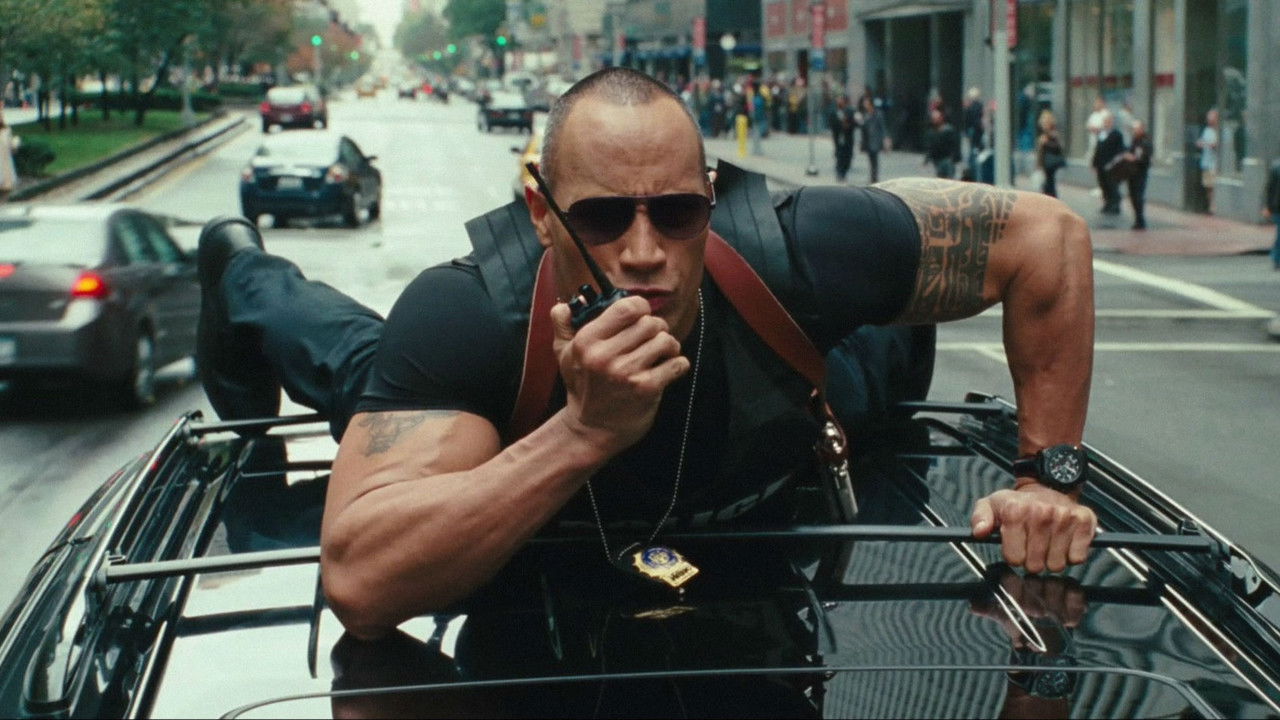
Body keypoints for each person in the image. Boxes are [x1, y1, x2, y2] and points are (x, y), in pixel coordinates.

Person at [194, 68, 1097, 643]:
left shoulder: (793, 247)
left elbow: (1046, 238)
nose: (641, 251)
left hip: (788, 396)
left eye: (675, 213)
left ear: (710, 198)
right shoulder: (472, 316)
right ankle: (241, 268)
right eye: (599, 217)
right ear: (541, 212)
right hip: (507, 416)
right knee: (355, 359)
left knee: (881, 363)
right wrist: (583, 432)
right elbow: (359, 584)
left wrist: (1048, 478)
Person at [1091, 112, 1124, 215]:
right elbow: (1097, 149)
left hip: (1111, 165)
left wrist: (1115, 162)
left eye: (1108, 121)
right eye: (1105, 121)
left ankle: (1115, 205)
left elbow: (1120, 150)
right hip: (1100, 164)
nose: (1107, 123)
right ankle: (1107, 203)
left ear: (1112, 122)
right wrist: (1094, 163)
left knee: (1112, 185)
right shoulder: (1102, 134)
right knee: (1103, 184)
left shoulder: (1117, 134)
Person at [1124, 120, 1153, 230]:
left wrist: (1133, 158)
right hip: (1131, 172)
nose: (1134, 131)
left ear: (1142, 129)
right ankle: (1137, 219)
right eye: (1134, 129)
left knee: (1138, 196)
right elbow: (1131, 151)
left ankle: (1140, 220)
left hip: (1140, 172)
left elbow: (1144, 157)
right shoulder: (1134, 141)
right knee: (1133, 195)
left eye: (1136, 129)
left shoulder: (1145, 142)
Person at [1034, 109, 1065, 198]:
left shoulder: (1052, 133)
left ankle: (1051, 198)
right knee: (1047, 182)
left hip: (1050, 162)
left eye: (1045, 122)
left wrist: (1046, 143)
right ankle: (1049, 197)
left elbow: (1058, 147)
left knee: (1049, 182)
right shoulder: (1043, 133)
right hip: (1044, 162)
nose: (1043, 124)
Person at [923, 109, 960, 179]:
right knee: (940, 178)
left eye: (936, 118)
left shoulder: (948, 130)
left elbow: (954, 145)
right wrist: (927, 159)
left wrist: (953, 157)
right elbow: (931, 147)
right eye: (933, 119)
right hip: (937, 159)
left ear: (941, 118)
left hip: (947, 159)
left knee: (949, 178)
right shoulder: (931, 132)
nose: (934, 120)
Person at [1196, 109, 1219, 214]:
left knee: (1213, 185)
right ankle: (1211, 206)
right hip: (1207, 162)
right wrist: (1201, 143)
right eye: (1208, 118)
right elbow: (1202, 142)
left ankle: (1214, 206)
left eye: (1211, 118)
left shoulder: (1219, 131)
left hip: (1215, 163)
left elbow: (1216, 145)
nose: (1209, 120)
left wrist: (1205, 144)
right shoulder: (1207, 130)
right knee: (1208, 186)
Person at [859, 95, 887, 184]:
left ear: (870, 104)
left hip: (875, 140)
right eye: (864, 103)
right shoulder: (865, 114)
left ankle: (874, 178)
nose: (865, 105)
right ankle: (873, 177)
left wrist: (885, 139)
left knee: (874, 159)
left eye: (866, 103)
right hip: (867, 140)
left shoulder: (878, 114)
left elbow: (882, 127)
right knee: (871, 159)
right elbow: (863, 127)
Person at [829, 94, 857, 182]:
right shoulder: (834, 111)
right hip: (838, 137)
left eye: (840, 99)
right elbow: (831, 123)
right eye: (838, 99)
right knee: (839, 155)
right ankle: (839, 173)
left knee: (848, 156)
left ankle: (844, 172)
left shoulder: (850, 111)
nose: (839, 101)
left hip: (848, 137)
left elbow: (855, 123)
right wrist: (840, 124)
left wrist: (848, 125)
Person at [1264, 158, 1280, 270]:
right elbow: (1270, 189)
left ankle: (1276, 258)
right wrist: (1268, 207)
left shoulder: (1275, 166)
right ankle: (1276, 258)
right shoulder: (1276, 167)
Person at [0, 111, 18, 202]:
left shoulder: (6, 130)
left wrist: (15, 143)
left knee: (5, 183)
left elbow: (10, 145)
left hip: (5, 159)